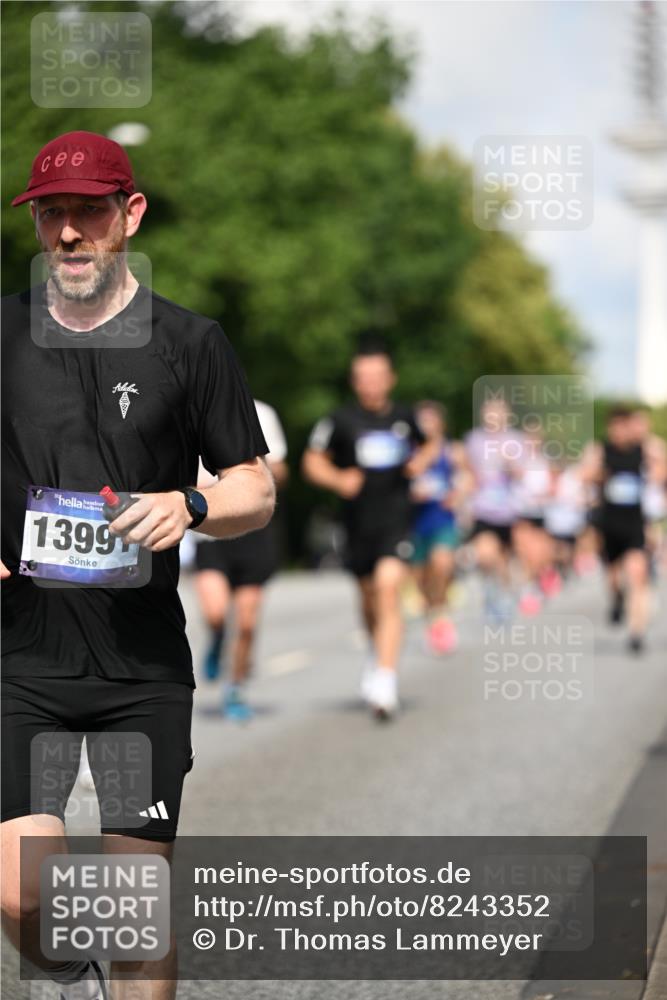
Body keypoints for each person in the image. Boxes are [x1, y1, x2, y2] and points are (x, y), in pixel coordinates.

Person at [1, 131, 274, 1000]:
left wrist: (190, 505)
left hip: (140, 664)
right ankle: (66, 968)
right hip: (18, 657)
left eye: (88, 210)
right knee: (18, 892)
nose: (70, 232)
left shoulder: (190, 344)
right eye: (53, 214)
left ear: (131, 213)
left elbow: (254, 489)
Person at [302, 340, 435, 719]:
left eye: (377, 376)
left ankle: (386, 681)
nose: (371, 384)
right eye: (363, 377)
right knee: (369, 598)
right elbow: (312, 462)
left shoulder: (406, 418)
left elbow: (430, 445)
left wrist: (418, 463)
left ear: (390, 379)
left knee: (389, 590)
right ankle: (377, 655)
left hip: (396, 521)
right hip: (356, 525)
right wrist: (338, 478)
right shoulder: (340, 421)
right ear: (355, 381)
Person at [194, 400, 289, 720]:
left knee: (247, 623)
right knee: (216, 612)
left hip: (252, 531)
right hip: (209, 530)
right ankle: (219, 640)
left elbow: (281, 469)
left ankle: (235, 687)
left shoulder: (261, 413)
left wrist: (248, 476)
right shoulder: (187, 408)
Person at [582, 405, 654, 654]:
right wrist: (599, 474)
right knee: (613, 577)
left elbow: (660, 472)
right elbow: (584, 474)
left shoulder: (644, 450)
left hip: (634, 524)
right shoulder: (600, 450)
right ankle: (616, 598)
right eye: (616, 428)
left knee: (637, 574)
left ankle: (636, 633)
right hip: (609, 525)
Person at [409, 401, 467, 653]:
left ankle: (441, 615)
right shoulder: (409, 450)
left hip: (442, 518)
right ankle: (433, 614)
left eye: (431, 420)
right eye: (422, 420)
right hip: (414, 520)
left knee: (442, 564)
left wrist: (458, 494)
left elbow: (469, 477)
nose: (426, 425)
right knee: (420, 577)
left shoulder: (452, 450)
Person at [463, 398, 524, 621]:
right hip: (482, 508)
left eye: (498, 413)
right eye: (489, 413)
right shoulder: (474, 439)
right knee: (485, 554)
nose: (493, 418)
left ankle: (503, 593)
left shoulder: (515, 440)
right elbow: (468, 472)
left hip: (507, 510)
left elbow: (522, 474)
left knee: (503, 559)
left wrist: (510, 463)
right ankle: (492, 592)